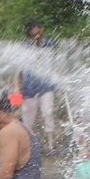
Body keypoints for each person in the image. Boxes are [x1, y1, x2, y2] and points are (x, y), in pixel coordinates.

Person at [19, 21, 59, 155]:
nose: (36, 37)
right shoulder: (23, 48)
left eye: (38, 33)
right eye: (33, 35)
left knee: (48, 112)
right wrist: (16, 88)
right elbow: (17, 70)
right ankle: (28, 146)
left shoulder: (50, 45)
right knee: (27, 119)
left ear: (41, 30)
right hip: (28, 88)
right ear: (29, 36)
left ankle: (51, 144)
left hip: (46, 86)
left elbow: (56, 63)